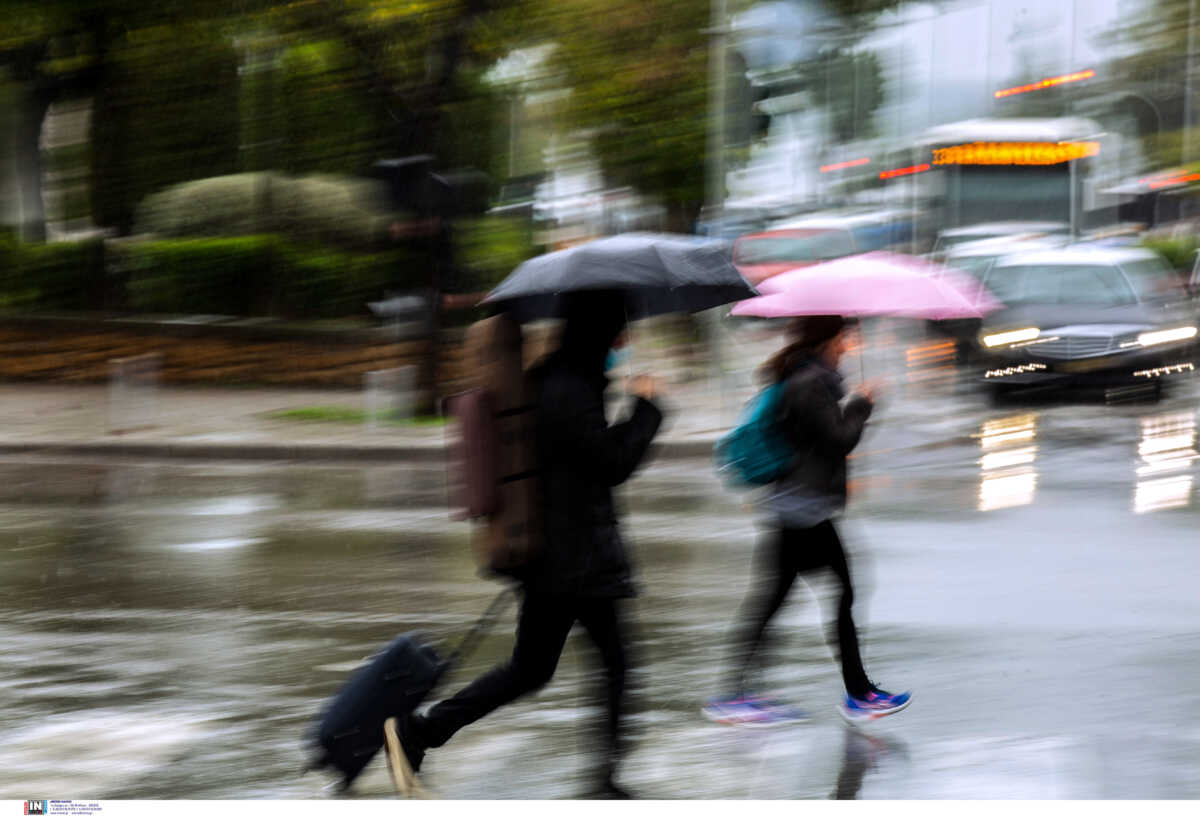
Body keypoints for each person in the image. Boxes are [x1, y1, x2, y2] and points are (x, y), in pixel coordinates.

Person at [393, 290, 665, 798]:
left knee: (534, 669)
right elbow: (611, 464)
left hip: (559, 557)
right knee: (611, 664)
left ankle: (422, 732)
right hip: (574, 560)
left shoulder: (560, 378)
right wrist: (646, 408)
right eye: (619, 330)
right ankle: (603, 781)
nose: (624, 341)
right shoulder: (568, 388)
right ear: (599, 332)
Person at [703, 315, 910, 726]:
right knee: (842, 593)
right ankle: (858, 694)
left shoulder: (806, 378)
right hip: (803, 509)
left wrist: (851, 402)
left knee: (779, 600)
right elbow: (837, 440)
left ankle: (737, 693)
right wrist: (862, 404)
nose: (849, 345)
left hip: (795, 506)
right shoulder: (810, 384)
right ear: (827, 339)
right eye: (845, 337)